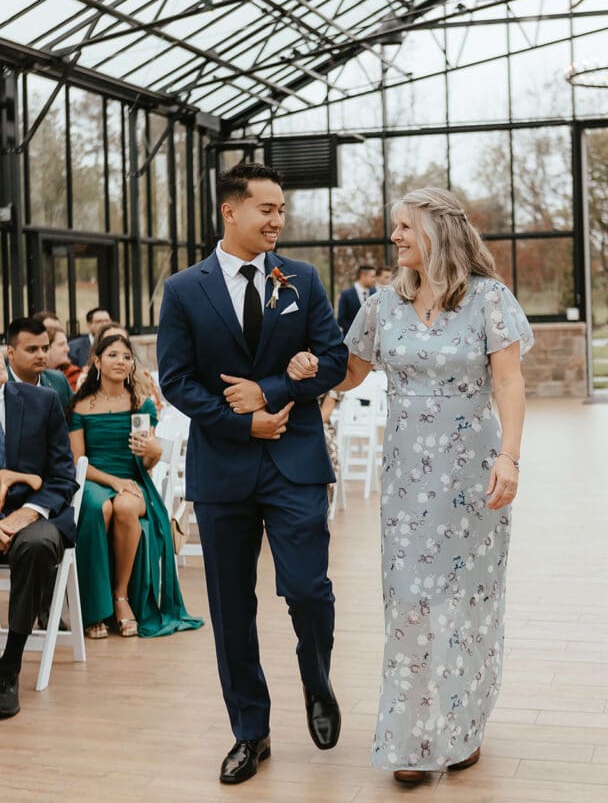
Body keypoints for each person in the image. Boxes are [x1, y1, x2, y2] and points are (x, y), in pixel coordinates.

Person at [288, 187, 533, 785]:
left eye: (403, 227)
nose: (394, 237)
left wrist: (510, 458)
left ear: (437, 232)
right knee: (410, 601)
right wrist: (309, 370)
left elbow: (509, 385)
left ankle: (462, 726)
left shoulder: (488, 299)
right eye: (393, 227)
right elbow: (351, 372)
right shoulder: (380, 305)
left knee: (467, 603)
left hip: (474, 476)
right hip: (407, 482)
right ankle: (411, 737)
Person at [157, 161, 348, 785]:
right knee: (230, 608)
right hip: (224, 469)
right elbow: (178, 379)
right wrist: (244, 424)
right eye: (267, 209)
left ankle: (317, 682)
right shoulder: (184, 289)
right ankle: (250, 730)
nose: (278, 220)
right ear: (229, 212)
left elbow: (334, 359)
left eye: (282, 210)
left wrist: (266, 393)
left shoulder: (303, 278)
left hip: (294, 462)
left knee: (309, 590)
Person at [67, 333, 202, 641]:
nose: (121, 361)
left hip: (133, 479)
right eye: (113, 355)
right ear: (97, 362)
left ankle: (120, 596)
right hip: (94, 479)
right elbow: (79, 462)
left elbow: (148, 462)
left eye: (126, 357)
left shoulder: (141, 405)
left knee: (126, 506)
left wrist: (152, 451)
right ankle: (93, 609)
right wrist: (112, 481)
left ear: (132, 365)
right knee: (99, 506)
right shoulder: (81, 407)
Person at [0, 355, 78, 719]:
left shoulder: (41, 401)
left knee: (35, 545)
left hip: (38, 512)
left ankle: (9, 667)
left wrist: (26, 513)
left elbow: (63, 476)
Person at [5, 317, 72, 411]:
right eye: (32, 350)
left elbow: (73, 421)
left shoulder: (58, 381)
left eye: (45, 349)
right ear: (11, 353)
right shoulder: (2, 386)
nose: (41, 355)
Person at [337, 264, 376, 335]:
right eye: (372, 277)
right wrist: (357, 331)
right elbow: (341, 320)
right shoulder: (346, 295)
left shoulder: (375, 293)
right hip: (351, 341)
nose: (374, 279)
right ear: (363, 276)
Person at [46, 326, 82, 392]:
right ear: (46, 348)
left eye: (66, 344)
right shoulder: (34, 376)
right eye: (61, 344)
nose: (68, 349)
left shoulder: (74, 374)